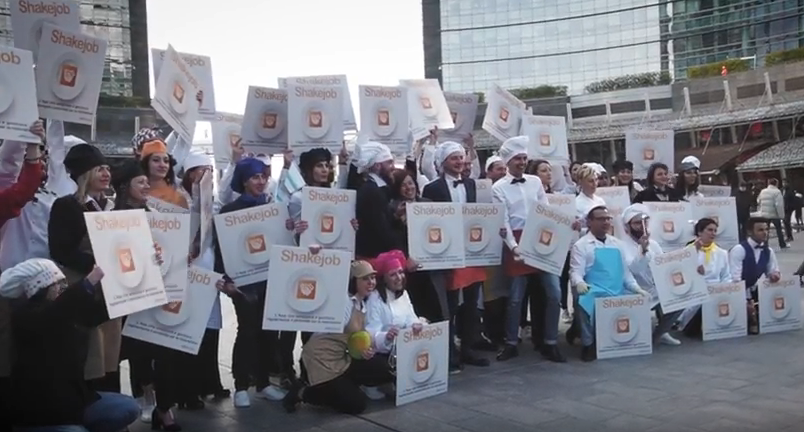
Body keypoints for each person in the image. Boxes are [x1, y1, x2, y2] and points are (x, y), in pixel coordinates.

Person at [1, 258, 139, 432]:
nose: (63, 288)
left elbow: (97, 312)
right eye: (57, 284)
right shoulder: (26, 317)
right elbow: (60, 308)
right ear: (41, 288)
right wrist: (90, 280)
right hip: (41, 413)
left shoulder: (64, 310)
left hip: (73, 401)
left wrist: (135, 280)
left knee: (126, 407)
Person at [213, 157, 289, 408]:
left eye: (263, 177)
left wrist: (291, 228)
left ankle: (264, 383)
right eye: (255, 177)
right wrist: (226, 280)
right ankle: (242, 386)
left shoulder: (272, 208)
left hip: (269, 280)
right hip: (243, 284)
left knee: (268, 332)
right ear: (244, 181)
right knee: (247, 331)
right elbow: (222, 249)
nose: (260, 181)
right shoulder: (229, 211)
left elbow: (282, 241)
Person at [283, 260, 394, 415]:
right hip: (322, 358)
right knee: (356, 405)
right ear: (353, 281)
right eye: (365, 278)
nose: (371, 282)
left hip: (342, 357)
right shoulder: (344, 302)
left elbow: (354, 339)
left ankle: (343, 386)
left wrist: (364, 350)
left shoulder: (363, 304)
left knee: (381, 368)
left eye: (373, 278)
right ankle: (303, 393)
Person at [492, 136, 565, 363]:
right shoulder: (498, 188)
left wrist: (564, 226)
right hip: (515, 241)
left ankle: (550, 342)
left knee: (554, 294)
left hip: (539, 239)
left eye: (524, 158)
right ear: (508, 162)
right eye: (518, 159)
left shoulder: (535, 182)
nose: (522, 162)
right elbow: (503, 221)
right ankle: (511, 342)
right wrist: (514, 247)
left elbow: (546, 210)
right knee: (515, 298)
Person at [422, 141, 489, 371]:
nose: (459, 162)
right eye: (454, 158)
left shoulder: (471, 184)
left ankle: (468, 348)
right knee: (449, 306)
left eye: (461, 157)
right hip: (447, 252)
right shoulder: (432, 189)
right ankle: (449, 352)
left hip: (471, 251)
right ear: (443, 163)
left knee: (471, 303)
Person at [570, 205, 650, 362]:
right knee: (583, 301)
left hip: (617, 290)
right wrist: (579, 283)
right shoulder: (581, 245)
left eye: (608, 219)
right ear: (590, 222)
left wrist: (636, 288)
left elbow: (625, 273)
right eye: (601, 219)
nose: (606, 222)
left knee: (637, 301)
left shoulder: (617, 244)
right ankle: (588, 343)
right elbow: (576, 271)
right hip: (595, 290)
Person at [364, 250, 426, 398]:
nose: (399, 278)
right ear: (384, 279)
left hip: (401, 349)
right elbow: (370, 333)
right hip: (382, 353)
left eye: (400, 272)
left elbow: (411, 317)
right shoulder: (375, 299)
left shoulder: (403, 294)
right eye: (393, 274)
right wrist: (387, 336)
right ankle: (377, 383)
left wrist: (416, 324)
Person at [620, 204, 683, 346]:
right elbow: (634, 270)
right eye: (637, 223)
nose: (641, 226)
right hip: (634, 292)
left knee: (683, 297)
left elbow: (663, 266)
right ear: (627, 226)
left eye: (644, 222)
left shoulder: (654, 244)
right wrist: (642, 250)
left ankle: (660, 334)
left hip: (656, 289)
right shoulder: (621, 246)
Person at [680, 218, 732, 337]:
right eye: (709, 230)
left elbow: (726, 275)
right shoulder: (687, 251)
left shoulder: (722, 253)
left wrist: (723, 290)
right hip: (695, 291)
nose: (713, 233)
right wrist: (695, 272)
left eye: (715, 230)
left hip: (716, 290)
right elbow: (681, 274)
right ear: (699, 232)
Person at [728, 217, 781, 334]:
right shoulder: (739, 250)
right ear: (749, 232)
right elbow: (735, 280)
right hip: (736, 291)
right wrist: (745, 300)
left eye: (766, 229)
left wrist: (774, 275)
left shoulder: (768, 251)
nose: (765, 233)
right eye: (760, 230)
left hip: (753, 288)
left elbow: (773, 270)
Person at [353, 141, 397, 259]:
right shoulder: (372, 192)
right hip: (375, 258)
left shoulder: (376, 188)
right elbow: (382, 230)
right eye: (389, 163)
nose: (393, 167)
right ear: (378, 166)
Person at [757, 178, 787, 249]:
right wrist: (781, 215)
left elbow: (758, 200)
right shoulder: (777, 192)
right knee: (778, 229)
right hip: (774, 214)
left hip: (765, 214)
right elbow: (779, 205)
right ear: (776, 184)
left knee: (765, 230)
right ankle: (782, 244)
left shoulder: (763, 191)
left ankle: (765, 244)